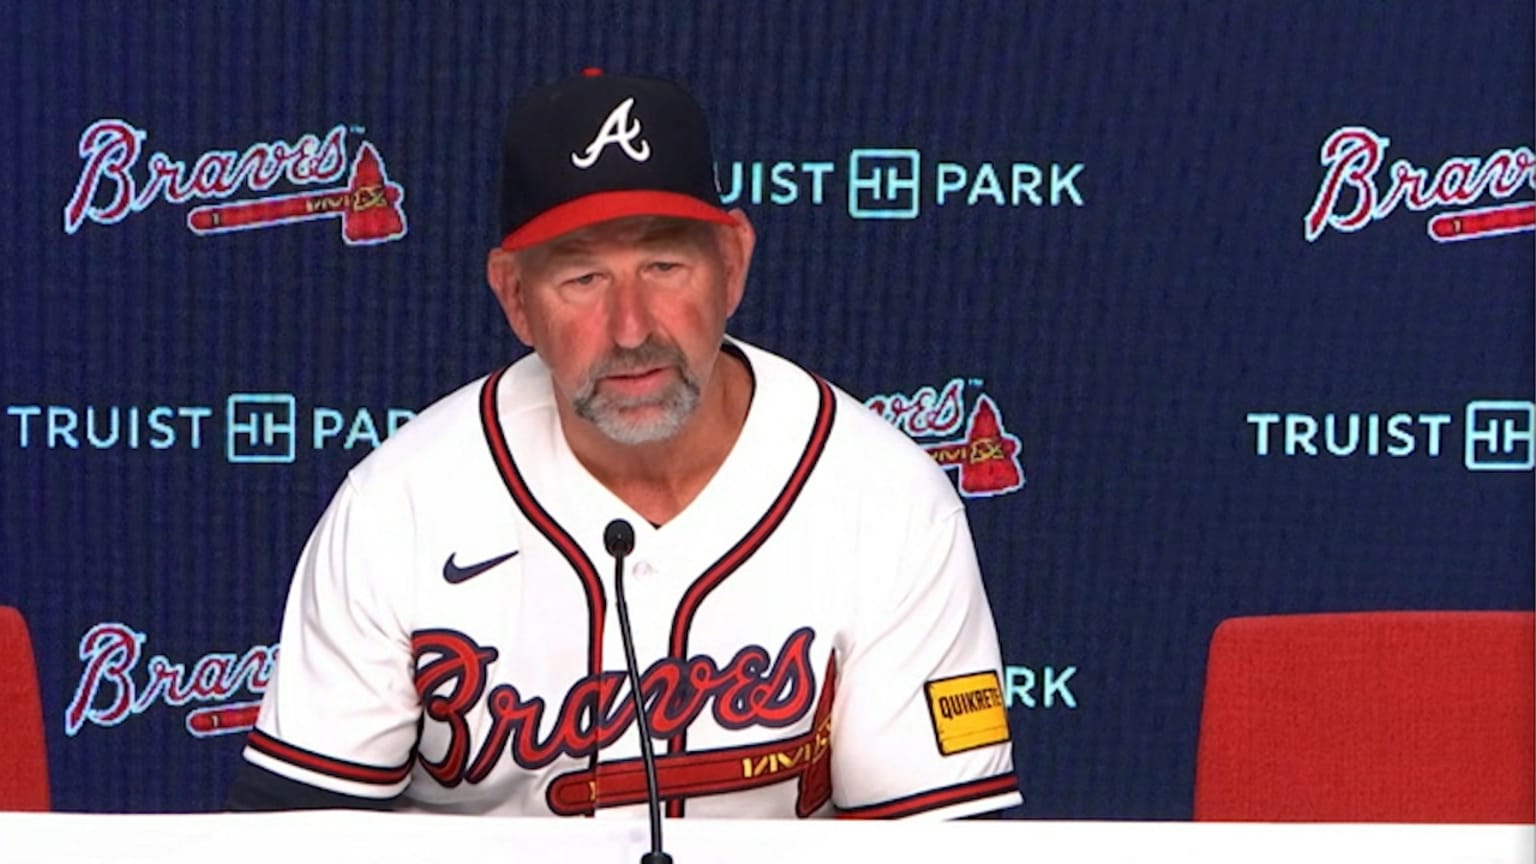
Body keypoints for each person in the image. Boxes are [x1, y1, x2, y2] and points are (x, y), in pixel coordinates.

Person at [227, 69, 1021, 820]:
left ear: (732, 265)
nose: (632, 328)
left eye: (665, 265)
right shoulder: (398, 506)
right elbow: (297, 841)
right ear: (516, 297)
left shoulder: (887, 500)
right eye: (582, 279)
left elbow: (939, 846)